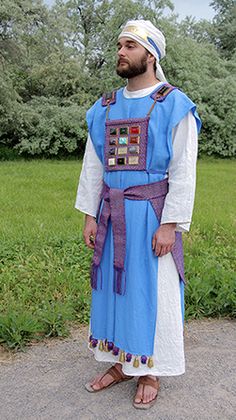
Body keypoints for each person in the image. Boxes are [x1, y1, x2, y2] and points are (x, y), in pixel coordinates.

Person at [75, 19, 201, 410]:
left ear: (151, 54)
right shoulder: (104, 107)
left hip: (150, 215)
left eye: (130, 45)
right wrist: (90, 215)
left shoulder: (173, 104)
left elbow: (183, 170)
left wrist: (170, 224)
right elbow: (94, 166)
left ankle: (150, 369)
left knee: (152, 292)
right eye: (119, 45)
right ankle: (119, 363)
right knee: (114, 291)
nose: (121, 52)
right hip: (111, 214)